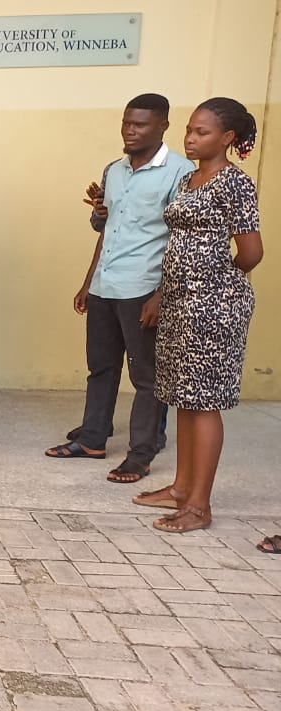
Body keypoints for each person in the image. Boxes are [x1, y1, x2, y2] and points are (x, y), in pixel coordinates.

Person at [45, 94, 194, 486]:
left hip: (144, 288)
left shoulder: (181, 173)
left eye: (141, 124)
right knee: (101, 367)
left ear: (163, 125)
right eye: (127, 122)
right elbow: (108, 229)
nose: (131, 130)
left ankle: (141, 454)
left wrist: (162, 294)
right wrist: (88, 280)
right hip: (105, 285)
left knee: (146, 377)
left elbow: (182, 240)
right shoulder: (114, 170)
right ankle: (92, 439)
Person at [132, 98, 263, 533]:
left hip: (213, 307)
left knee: (204, 401)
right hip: (178, 303)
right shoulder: (190, 180)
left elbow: (251, 253)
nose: (190, 138)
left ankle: (199, 507)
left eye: (201, 132)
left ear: (227, 138)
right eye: (189, 130)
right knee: (183, 397)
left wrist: (212, 284)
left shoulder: (234, 183)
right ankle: (181, 488)